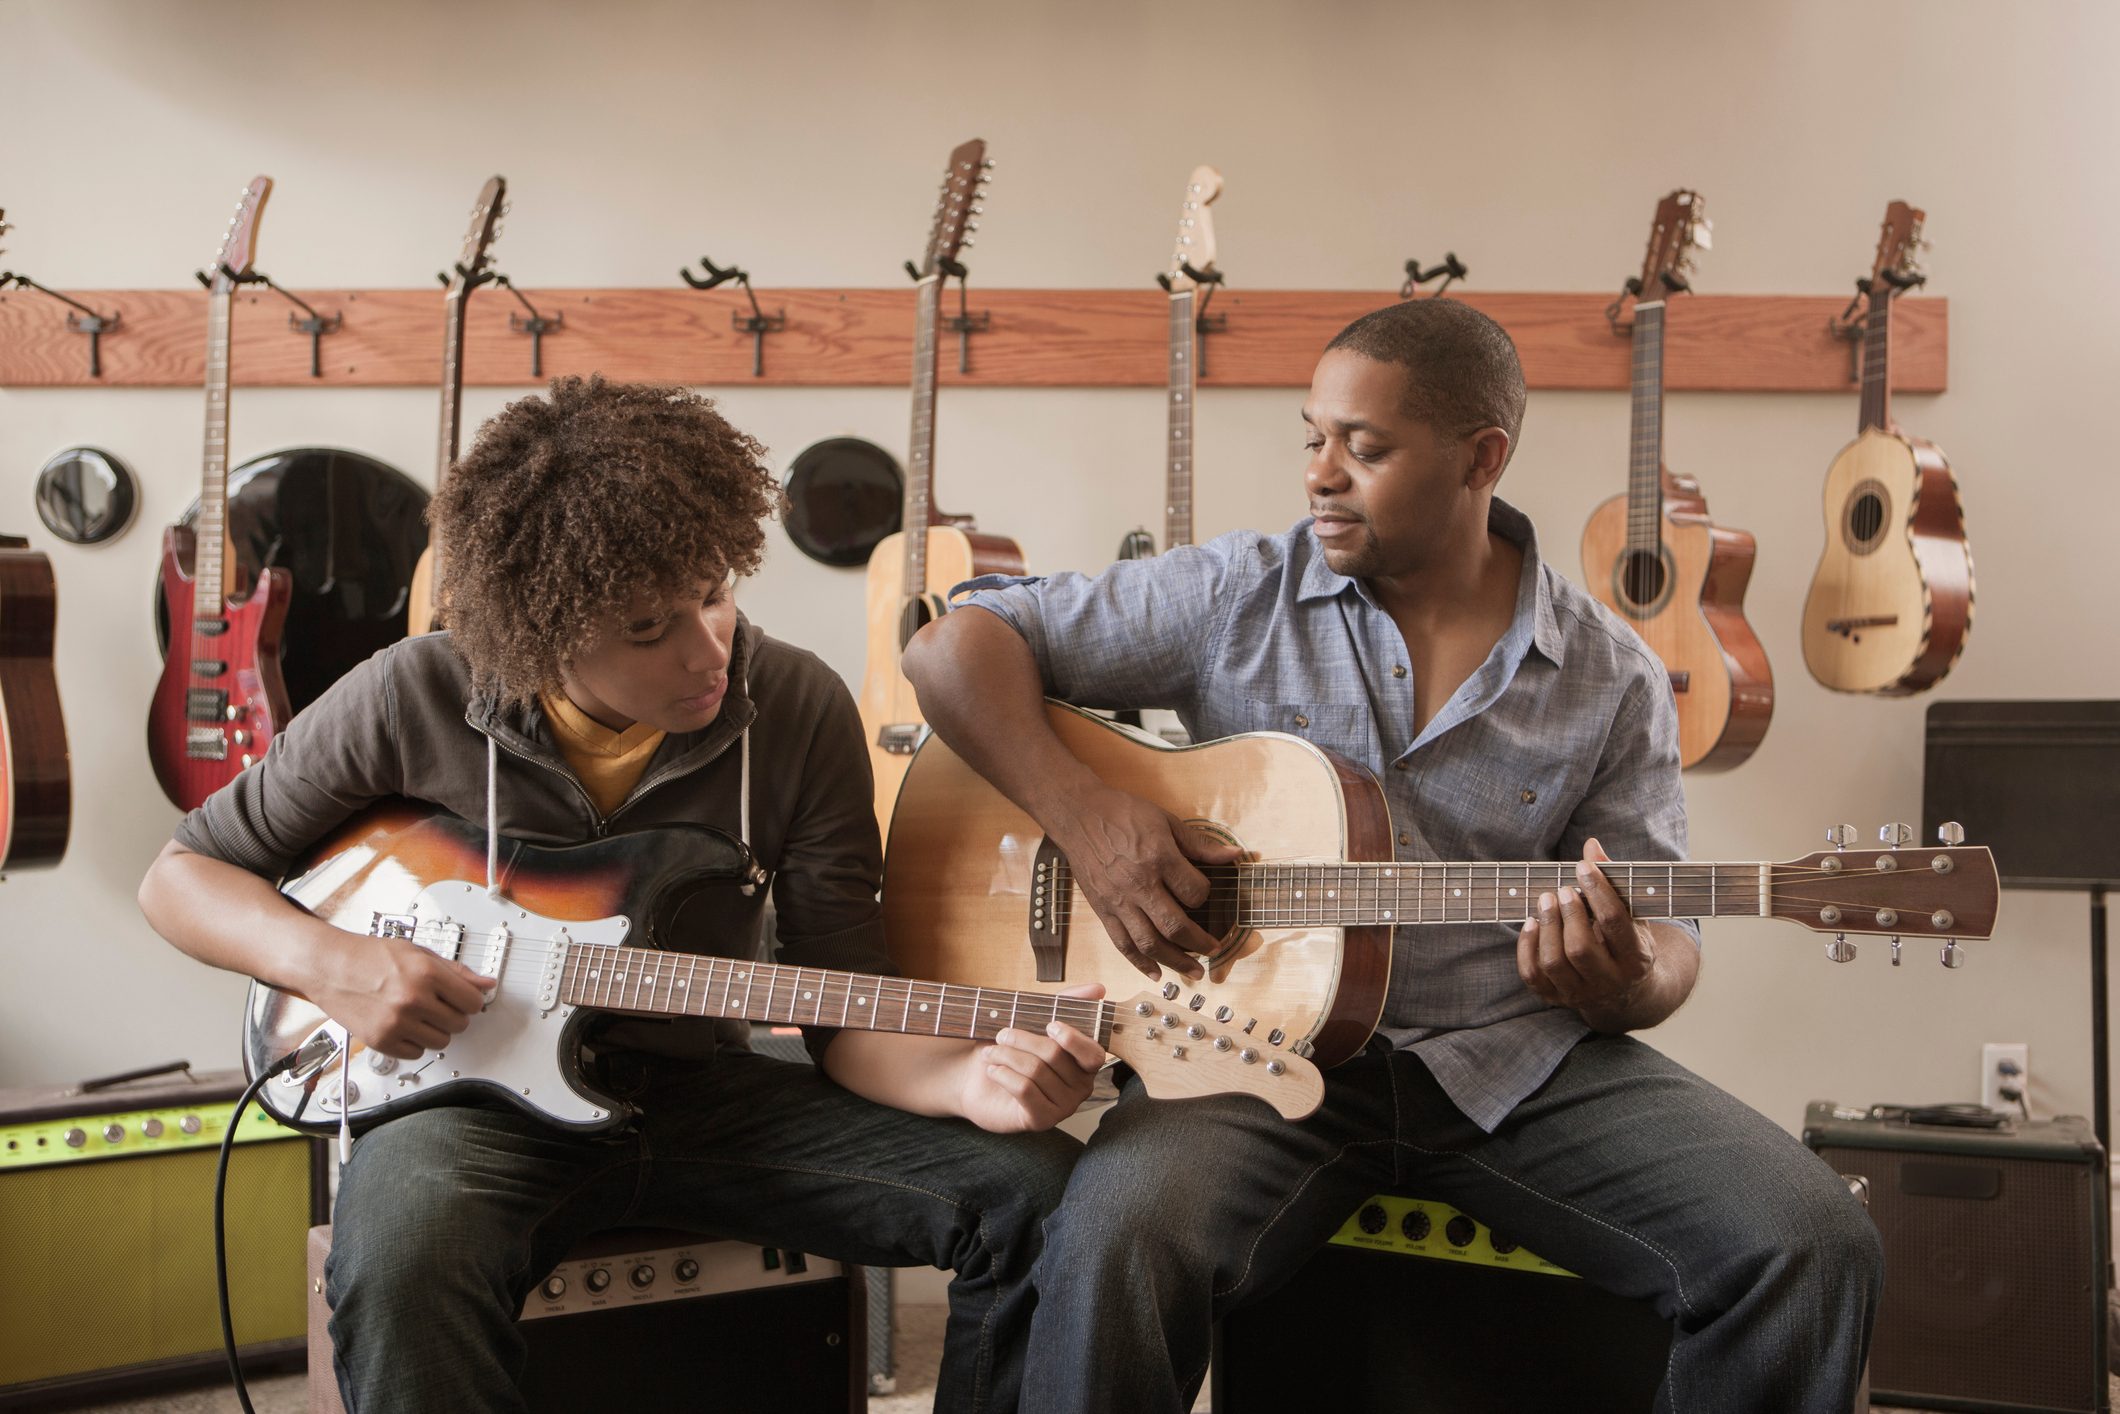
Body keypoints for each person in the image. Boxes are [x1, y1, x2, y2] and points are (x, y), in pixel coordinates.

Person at [902, 299, 1884, 1413]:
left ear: (1481, 458)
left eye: (1362, 448)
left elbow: (1667, 941)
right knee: (1117, 1234)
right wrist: (1085, 818)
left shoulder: (1607, 675)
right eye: (1312, 436)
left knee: (1810, 1242)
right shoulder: (1237, 594)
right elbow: (951, 647)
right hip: (1249, 1060)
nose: (1321, 473)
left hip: (1514, 1064)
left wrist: (1626, 979)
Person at [138, 375, 1104, 1414]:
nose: (705, 650)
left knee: (1040, 1188)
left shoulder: (794, 705)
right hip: (470, 1110)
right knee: (402, 1259)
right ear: (541, 625)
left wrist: (967, 1085)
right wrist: (335, 964)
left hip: (705, 1092)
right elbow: (180, 876)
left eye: (714, 593)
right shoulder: (410, 692)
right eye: (647, 627)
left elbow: (845, 1001)